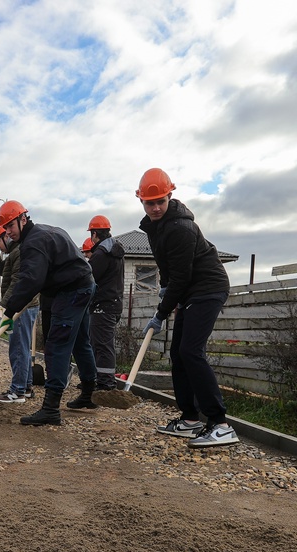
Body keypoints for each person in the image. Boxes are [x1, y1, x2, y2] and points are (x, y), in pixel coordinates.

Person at [137, 168, 238, 448]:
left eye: (161, 201)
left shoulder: (180, 228)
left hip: (208, 288)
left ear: (170, 196)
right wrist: (165, 288)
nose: (156, 208)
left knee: (191, 351)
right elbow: (169, 268)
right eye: (150, 203)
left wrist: (161, 312)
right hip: (190, 291)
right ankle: (190, 418)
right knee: (178, 354)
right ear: (141, 201)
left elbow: (181, 277)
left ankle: (220, 424)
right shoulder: (155, 227)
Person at [0, 200, 97, 426]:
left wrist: (10, 309)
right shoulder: (45, 231)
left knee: (56, 345)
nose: (8, 232)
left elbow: (31, 280)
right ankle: (89, 394)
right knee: (80, 342)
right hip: (84, 285)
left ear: (23, 219)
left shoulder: (33, 243)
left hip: (72, 291)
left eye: (10, 225)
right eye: (5, 228)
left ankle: (51, 409)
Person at [0, 221, 39, 404]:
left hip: (21, 306)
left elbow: (17, 281)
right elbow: (3, 270)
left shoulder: (19, 251)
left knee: (18, 348)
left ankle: (17, 391)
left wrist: (4, 306)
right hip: (25, 305)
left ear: (6, 236)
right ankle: (25, 387)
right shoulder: (15, 251)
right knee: (23, 347)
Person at [85, 215, 125, 391]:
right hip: (114, 304)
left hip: (103, 305)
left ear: (94, 234)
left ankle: (106, 384)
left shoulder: (101, 254)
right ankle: (102, 380)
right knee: (102, 344)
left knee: (102, 345)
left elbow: (89, 279)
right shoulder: (116, 251)